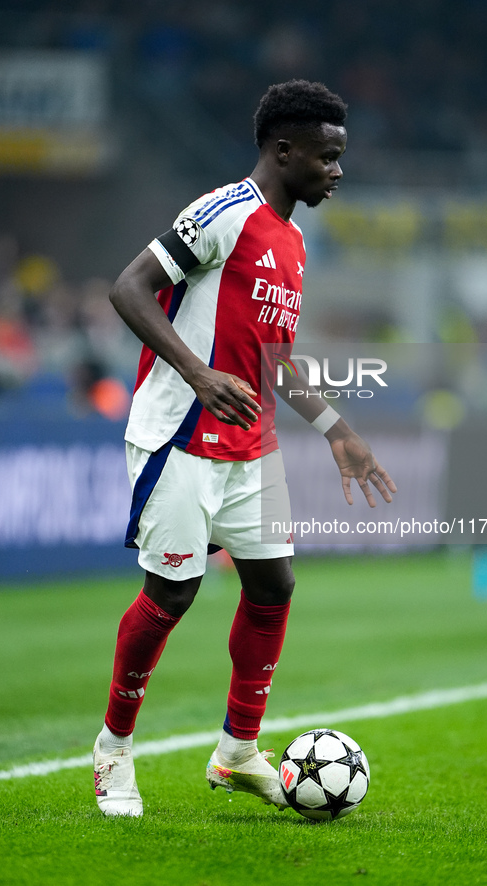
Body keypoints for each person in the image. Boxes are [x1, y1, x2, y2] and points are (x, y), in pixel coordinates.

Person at [93, 79, 397, 817]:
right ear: (283, 150)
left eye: (339, 158)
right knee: (172, 594)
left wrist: (337, 430)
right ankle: (112, 752)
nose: (337, 171)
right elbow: (128, 289)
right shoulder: (222, 213)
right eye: (326, 157)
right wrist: (197, 375)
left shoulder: (292, 241)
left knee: (274, 586)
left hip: (249, 446)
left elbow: (270, 361)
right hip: (181, 436)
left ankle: (235, 752)